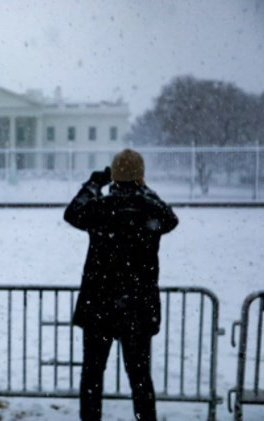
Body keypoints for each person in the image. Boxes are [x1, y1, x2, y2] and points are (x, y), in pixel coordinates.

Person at [63, 149, 178, 421]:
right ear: (140, 176)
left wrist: (93, 184)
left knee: (92, 374)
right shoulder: (149, 209)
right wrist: (143, 188)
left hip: (99, 304)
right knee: (139, 376)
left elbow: (72, 213)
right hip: (137, 305)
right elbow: (170, 218)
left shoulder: (100, 207)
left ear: (113, 175)